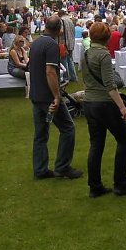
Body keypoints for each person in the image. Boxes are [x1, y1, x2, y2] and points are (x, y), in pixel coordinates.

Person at [82, 22, 126, 198]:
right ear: (106, 37)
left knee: (96, 145)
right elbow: (110, 85)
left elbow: (85, 79)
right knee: (123, 140)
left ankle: (95, 186)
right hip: (105, 103)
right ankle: (120, 183)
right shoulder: (103, 55)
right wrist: (122, 107)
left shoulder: (85, 54)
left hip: (89, 103)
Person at [28, 16, 82, 180]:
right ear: (60, 29)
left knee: (41, 134)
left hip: (36, 94)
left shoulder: (36, 42)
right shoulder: (52, 45)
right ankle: (63, 167)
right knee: (68, 128)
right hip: (47, 96)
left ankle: (40, 169)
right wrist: (57, 97)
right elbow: (50, 71)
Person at [59, 10, 78, 82]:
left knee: (63, 60)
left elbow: (61, 31)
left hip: (64, 43)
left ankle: (65, 77)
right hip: (71, 42)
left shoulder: (61, 20)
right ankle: (73, 76)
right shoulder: (70, 20)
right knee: (70, 59)